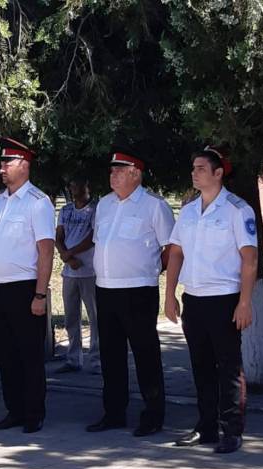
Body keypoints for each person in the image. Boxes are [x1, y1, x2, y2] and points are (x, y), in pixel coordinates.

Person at [165, 146, 258, 454]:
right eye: (193, 168)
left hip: (224, 299)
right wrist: (169, 294)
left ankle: (232, 430)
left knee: (229, 367)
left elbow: (250, 259)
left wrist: (245, 302)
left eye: (201, 168)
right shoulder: (189, 210)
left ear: (218, 173)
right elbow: (176, 253)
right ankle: (205, 427)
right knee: (200, 365)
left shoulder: (237, 209)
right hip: (194, 299)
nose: (194, 173)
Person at [87, 146, 175, 436]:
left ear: (135, 174)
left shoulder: (153, 205)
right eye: (112, 170)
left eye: (119, 171)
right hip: (106, 289)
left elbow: (171, 248)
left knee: (145, 354)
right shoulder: (104, 204)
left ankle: (153, 415)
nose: (112, 175)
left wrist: (151, 269)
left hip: (138, 290)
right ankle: (114, 412)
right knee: (111, 355)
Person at [0, 137, 55, 434]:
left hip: (25, 289)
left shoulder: (38, 202)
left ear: (24, 164)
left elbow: (46, 251)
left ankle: (34, 413)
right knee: (6, 355)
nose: (2, 168)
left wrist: (40, 294)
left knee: (29, 354)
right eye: (1, 162)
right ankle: (14, 410)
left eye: (7, 162)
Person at [55, 176, 100, 374]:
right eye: (72, 186)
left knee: (95, 317)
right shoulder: (65, 210)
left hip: (90, 270)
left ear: (87, 186)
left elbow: (93, 238)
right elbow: (58, 236)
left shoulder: (96, 209)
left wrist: (71, 253)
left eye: (78, 185)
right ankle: (73, 358)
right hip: (70, 272)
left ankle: (96, 360)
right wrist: (66, 256)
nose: (74, 189)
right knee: (71, 317)